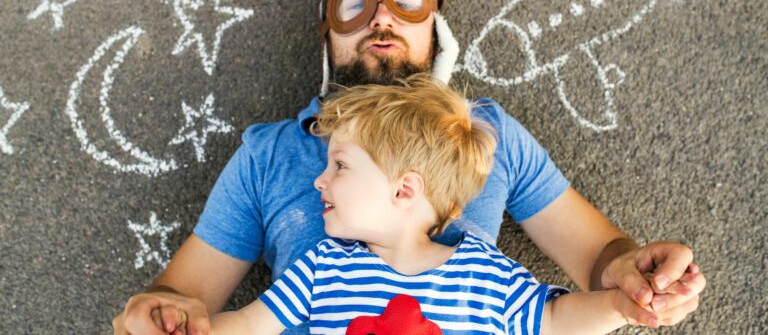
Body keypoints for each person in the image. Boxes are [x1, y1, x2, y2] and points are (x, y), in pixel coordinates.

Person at [113, 0, 705, 335]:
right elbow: (188, 302)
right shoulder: (269, 155)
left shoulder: (488, 133)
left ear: (435, 26)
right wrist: (159, 313)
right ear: (327, 34)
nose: (381, 16)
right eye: (353, 3)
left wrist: (635, 277)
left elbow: (595, 263)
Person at [176, 75, 640, 335]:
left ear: (404, 191)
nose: (319, 179)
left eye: (339, 165)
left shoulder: (485, 274)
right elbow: (249, 325)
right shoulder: (322, 267)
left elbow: (556, 320)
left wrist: (623, 305)